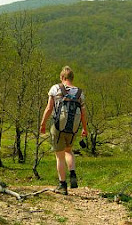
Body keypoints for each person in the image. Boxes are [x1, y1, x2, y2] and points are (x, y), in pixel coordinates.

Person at [40, 66, 88, 195]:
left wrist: (43, 123)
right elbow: (83, 113)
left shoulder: (56, 89)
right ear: (72, 78)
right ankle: (72, 172)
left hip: (58, 127)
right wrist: (84, 128)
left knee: (59, 156)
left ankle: (62, 185)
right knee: (69, 151)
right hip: (72, 129)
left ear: (62, 77)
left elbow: (49, 108)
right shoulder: (80, 93)